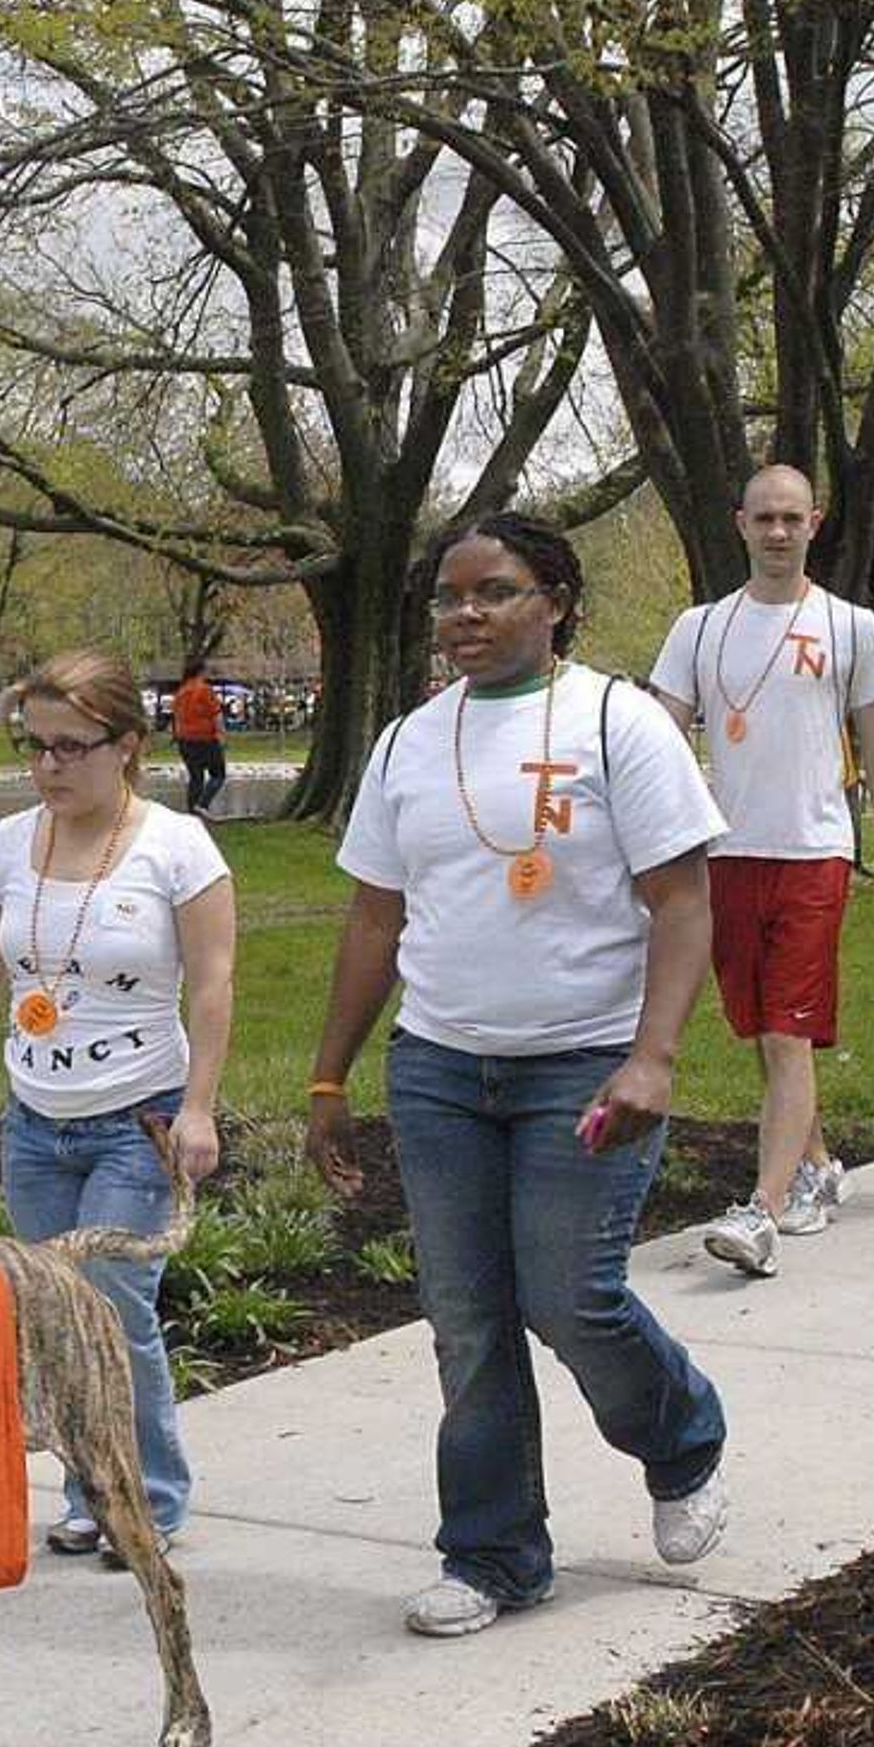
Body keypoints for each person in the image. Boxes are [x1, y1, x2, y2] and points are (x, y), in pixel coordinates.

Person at [305, 512, 731, 1638]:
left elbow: (683, 902)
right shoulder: (407, 743)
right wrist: (329, 1079)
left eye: (493, 592)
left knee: (571, 1299)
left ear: (555, 601)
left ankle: (683, 1438)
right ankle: (493, 1555)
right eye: (450, 597)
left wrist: (653, 1056)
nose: (465, 617)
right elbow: (374, 918)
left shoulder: (618, 724)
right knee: (467, 1323)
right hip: (442, 1071)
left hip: (584, 1068)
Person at [0, 649, 232, 1557]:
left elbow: (212, 986)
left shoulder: (178, 849)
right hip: (35, 1119)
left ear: (127, 746)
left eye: (70, 747)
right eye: (35, 747)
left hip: (140, 1120)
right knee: (52, 1314)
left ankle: (154, 1497)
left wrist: (201, 1108)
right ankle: (91, 1489)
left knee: (113, 1307)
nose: (48, 766)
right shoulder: (10, 844)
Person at [647, 463, 874, 1275]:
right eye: (763, 518)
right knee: (763, 1031)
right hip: (726, 854)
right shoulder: (699, 627)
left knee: (787, 1032)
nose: (777, 532)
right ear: (739, 523)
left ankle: (762, 1209)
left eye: (791, 518)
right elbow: (660, 735)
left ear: (815, 522)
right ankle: (818, 1163)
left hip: (815, 848)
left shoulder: (849, 625)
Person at [169, 657, 230, 815]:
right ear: (201, 671)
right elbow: (216, 714)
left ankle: (192, 812)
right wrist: (222, 734)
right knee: (218, 775)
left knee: (196, 777)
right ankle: (202, 805)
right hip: (205, 739)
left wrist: (176, 736)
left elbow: (176, 717)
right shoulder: (204, 690)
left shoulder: (180, 692)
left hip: (185, 741)